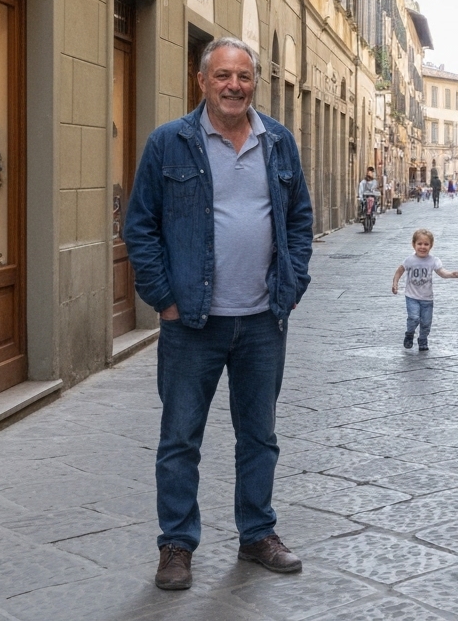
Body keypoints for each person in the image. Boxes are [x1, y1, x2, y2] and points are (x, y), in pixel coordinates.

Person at [123, 37, 313, 590]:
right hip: (192, 324)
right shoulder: (169, 143)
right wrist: (165, 299)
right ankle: (176, 545)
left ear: (255, 82)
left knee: (260, 435)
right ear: (202, 80)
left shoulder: (278, 142)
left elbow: (299, 218)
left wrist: (292, 283)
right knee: (181, 437)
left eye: (245, 77)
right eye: (224, 75)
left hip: (262, 320)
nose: (235, 86)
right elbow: (140, 226)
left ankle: (257, 534)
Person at [392, 228, 458, 350]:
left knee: (426, 322)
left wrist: (451, 274)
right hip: (411, 297)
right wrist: (395, 283)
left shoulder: (433, 260)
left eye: (426, 244)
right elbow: (399, 271)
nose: (422, 247)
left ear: (431, 246)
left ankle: (423, 339)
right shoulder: (409, 260)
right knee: (414, 318)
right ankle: (409, 333)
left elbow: (441, 272)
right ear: (414, 245)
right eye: (419, 244)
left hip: (427, 298)